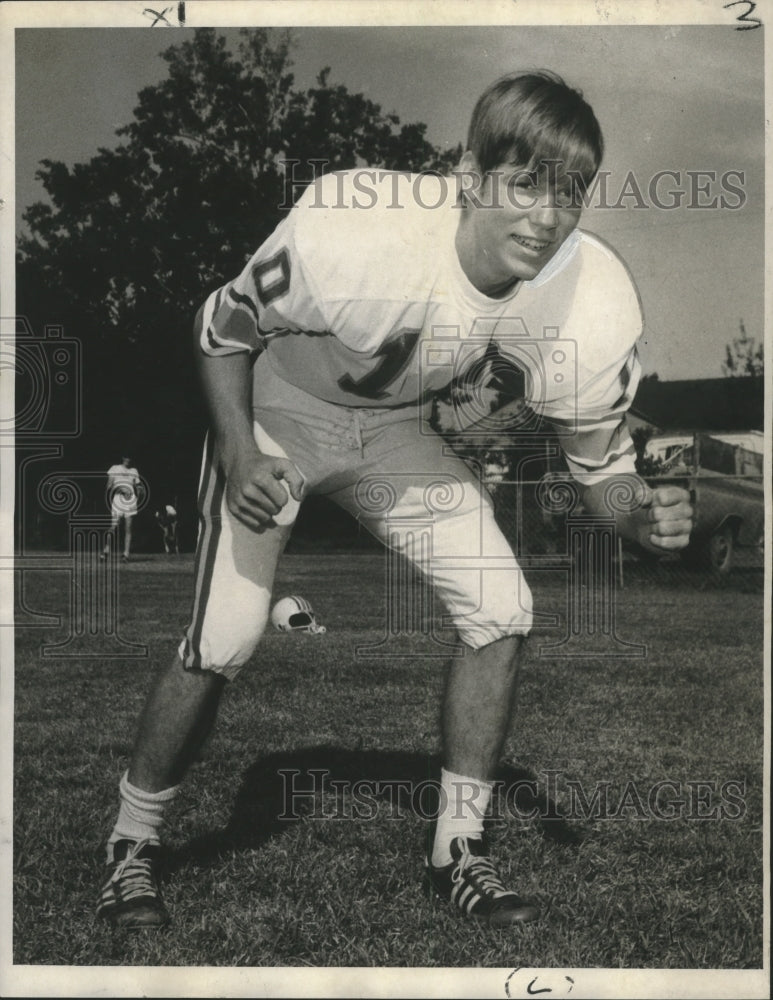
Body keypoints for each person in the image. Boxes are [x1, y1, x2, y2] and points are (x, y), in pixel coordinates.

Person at [97, 71, 693, 929]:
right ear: (467, 173)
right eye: (524, 183)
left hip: (394, 431)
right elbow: (220, 328)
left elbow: (602, 474)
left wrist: (639, 512)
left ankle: (458, 849)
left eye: (571, 193)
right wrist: (234, 450)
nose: (547, 217)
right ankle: (132, 842)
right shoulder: (361, 225)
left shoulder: (586, 296)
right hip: (279, 413)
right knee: (225, 634)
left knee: (502, 607)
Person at [101, 456, 140, 562]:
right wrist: (122, 490)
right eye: (127, 457)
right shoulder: (115, 468)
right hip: (118, 500)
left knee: (128, 528)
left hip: (130, 501)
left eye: (130, 458)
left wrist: (138, 493)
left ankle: (126, 555)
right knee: (113, 526)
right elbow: (109, 485)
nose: (128, 460)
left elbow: (138, 486)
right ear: (123, 458)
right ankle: (106, 551)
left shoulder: (134, 471)